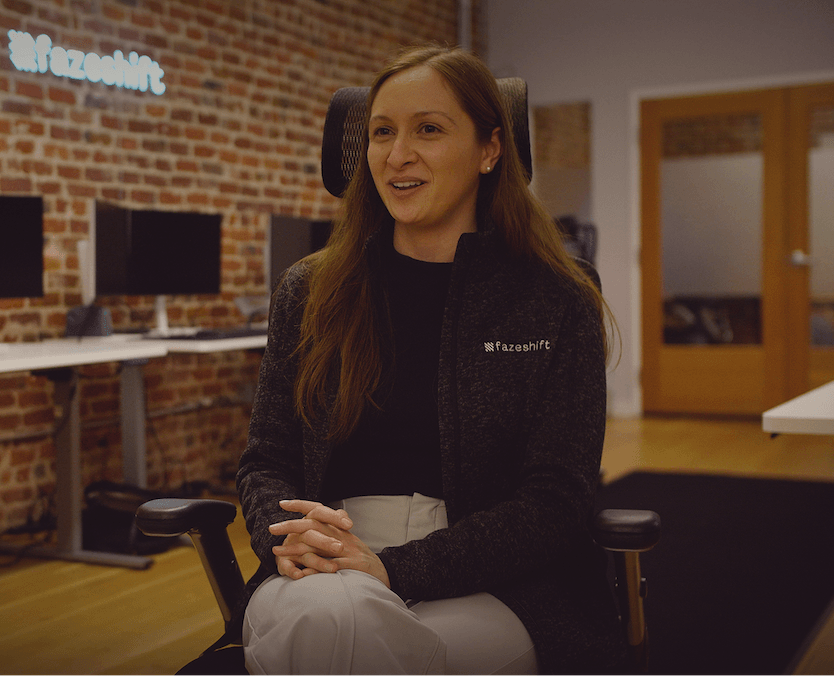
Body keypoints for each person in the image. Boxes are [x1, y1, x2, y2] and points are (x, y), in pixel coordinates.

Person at [236, 44, 627, 675]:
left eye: (429, 130)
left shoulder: (554, 297)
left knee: (337, 639)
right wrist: (291, 540)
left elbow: (556, 499)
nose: (398, 155)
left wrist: (395, 568)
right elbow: (267, 458)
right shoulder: (310, 290)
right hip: (322, 564)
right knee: (336, 620)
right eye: (382, 132)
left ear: (489, 150)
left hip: (498, 581)